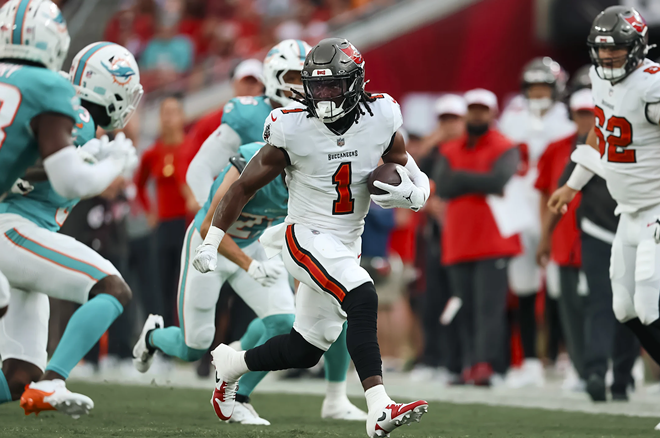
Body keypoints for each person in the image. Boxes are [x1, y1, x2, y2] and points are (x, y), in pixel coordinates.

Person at [193, 38, 430, 438]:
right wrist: (211, 240)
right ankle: (379, 406)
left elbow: (403, 163)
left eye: (333, 86)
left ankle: (231, 365)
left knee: (306, 349)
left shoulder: (382, 115)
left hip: (345, 243)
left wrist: (418, 193)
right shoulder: (291, 125)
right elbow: (242, 187)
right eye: (316, 86)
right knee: (362, 293)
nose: (323, 95)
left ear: (355, 83)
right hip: (304, 235)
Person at [186, 39, 366, 422]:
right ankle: (160, 340)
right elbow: (215, 198)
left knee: (305, 314)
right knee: (194, 342)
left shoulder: (326, 128)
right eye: (291, 77)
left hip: (266, 240)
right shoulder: (263, 138)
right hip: (219, 238)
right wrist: (218, 220)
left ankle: (241, 392)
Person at [0, 35, 142, 417]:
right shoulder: (77, 117)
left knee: (17, 377)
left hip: (28, 234)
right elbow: (33, 172)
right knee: (111, 288)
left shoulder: (73, 119)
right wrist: (100, 166)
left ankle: (40, 381)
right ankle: (55, 380)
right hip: (14, 230)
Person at [133, 141, 296, 425]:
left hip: (252, 247)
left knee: (284, 322)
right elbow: (209, 226)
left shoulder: (310, 176)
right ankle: (152, 337)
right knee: (195, 345)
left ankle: (240, 396)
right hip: (209, 248)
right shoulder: (248, 163)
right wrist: (250, 265)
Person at [549, 5, 660, 402]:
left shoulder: (652, 85)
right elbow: (603, 132)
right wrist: (573, 185)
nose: (608, 58)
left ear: (638, 47)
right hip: (627, 210)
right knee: (624, 307)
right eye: (602, 51)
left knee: (649, 305)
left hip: (655, 207)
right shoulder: (599, 78)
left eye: (616, 50)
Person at [434, 89, 521, 386]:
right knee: (465, 306)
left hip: (493, 239)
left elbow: (499, 179)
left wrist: (461, 178)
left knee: (490, 308)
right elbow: (444, 186)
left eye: (482, 110)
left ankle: (486, 364)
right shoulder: (450, 149)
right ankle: (470, 363)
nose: (477, 115)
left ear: (493, 113)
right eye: (472, 109)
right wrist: (477, 183)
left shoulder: (505, 146)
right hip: (458, 241)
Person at [499, 57, 575, 388]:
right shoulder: (512, 119)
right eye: (534, 87)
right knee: (524, 287)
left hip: (556, 208)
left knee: (561, 287)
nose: (539, 93)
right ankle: (529, 361)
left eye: (545, 87)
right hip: (519, 208)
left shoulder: (568, 123)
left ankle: (566, 358)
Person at [535, 88, 594, 391]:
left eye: (591, 113)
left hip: (600, 238)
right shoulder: (556, 148)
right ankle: (581, 368)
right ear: (572, 114)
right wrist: (544, 236)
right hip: (565, 239)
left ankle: (610, 366)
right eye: (581, 113)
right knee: (570, 308)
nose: (586, 119)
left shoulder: (611, 146)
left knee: (603, 305)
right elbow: (546, 195)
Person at [411, 94, 466, 382]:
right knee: (432, 299)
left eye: (453, 119)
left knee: (457, 300)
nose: (449, 126)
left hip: (462, 236)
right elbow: (415, 174)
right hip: (435, 237)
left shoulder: (467, 149)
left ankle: (455, 361)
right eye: (444, 119)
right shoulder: (434, 154)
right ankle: (431, 358)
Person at [135, 95, 198, 329]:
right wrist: (149, 212)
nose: (169, 118)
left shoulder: (192, 147)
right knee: (162, 283)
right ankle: (165, 337)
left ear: (182, 116)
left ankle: (188, 334)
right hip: (163, 225)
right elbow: (139, 185)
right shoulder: (153, 153)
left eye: (173, 112)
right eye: (165, 113)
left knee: (188, 282)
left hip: (188, 222)